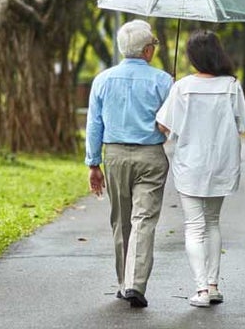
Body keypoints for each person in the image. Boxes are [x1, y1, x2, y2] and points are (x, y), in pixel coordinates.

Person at [156, 30, 245, 308]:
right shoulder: (232, 86)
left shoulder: (182, 87)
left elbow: (163, 126)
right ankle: (213, 285)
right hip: (222, 163)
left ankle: (200, 289)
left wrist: (173, 91)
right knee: (212, 223)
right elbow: (242, 125)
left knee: (194, 226)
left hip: (191, 165)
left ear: (193, 56)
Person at [84, 19, 173, 308]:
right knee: (144, 220)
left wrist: (93, 163)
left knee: (121, 220)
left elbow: (94, 124)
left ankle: (125, 283)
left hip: (115, 156)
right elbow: (171, 124)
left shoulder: (103, 80)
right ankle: (135, 283)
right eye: (153, 45)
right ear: (147, 50)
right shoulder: (163, 80)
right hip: (151, 157)